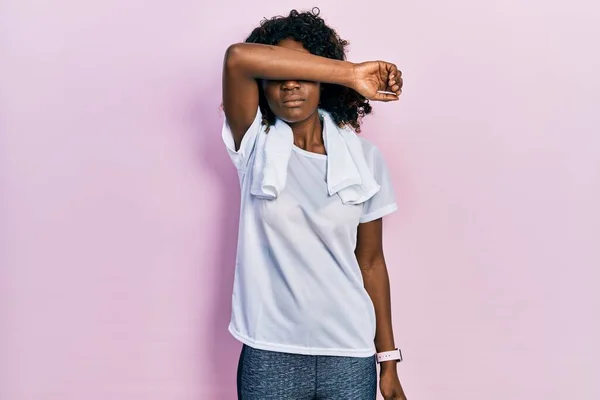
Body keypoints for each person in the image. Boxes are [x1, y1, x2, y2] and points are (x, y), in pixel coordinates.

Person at [221, 8, 407, 400]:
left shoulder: (365, 160)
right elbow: (238, 58)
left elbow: (370, 262)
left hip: (349, 352)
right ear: (263, 84)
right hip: (270, 348)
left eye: (305, 73)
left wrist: (387, 360)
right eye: (279, 74)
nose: (291, 85)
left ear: (322, 81)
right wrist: (352, 73)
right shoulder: (254, 145)